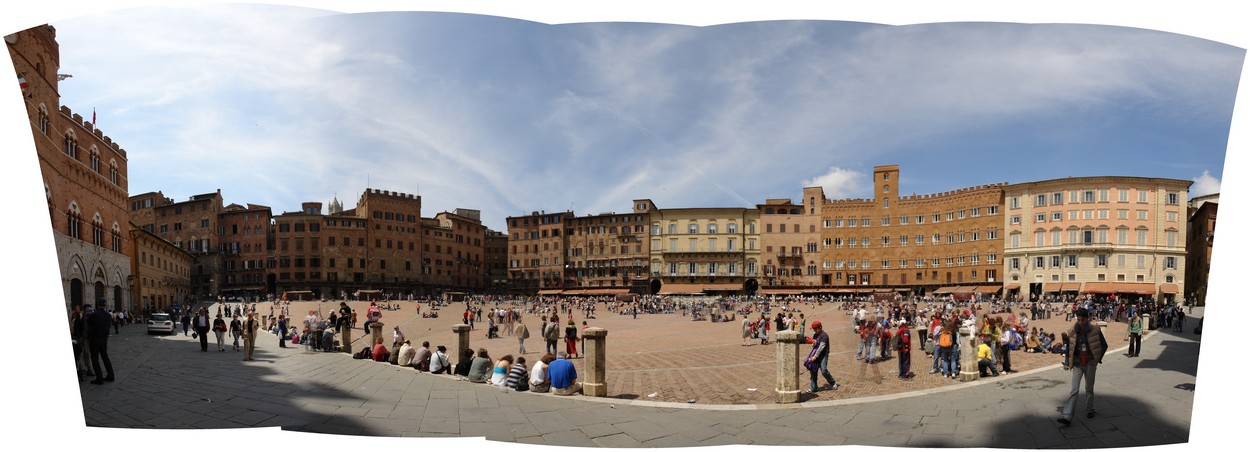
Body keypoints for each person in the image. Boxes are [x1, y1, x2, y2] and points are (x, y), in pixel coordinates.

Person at [1057, 308, 1108, 426]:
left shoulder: (1095, 330)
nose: (1080, 322)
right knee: (1074, 390)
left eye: (1082, 320)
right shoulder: (1072, 331)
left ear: (1087, 318)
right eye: (1078, 320)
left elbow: (1104, 345)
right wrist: (1067, 363)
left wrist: (1097, 360)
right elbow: (1069, 349)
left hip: (1090, 363)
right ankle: (1067, 416)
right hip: (1077, 364)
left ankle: (1089, 409)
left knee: (1089, 388)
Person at [85, 301, 115, 385]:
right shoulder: (108, 315)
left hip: (95, 339)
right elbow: (109, 326)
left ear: (98, 305)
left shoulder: (94, 315)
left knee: (95, 358)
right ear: (105, 305)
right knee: (105, 357)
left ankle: (99, 378)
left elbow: (88, 325)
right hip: (104, 339)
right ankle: (111, 376)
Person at [804, 321, 838, 393]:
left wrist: (815, 357)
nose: (814, 330)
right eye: (813, 329)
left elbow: (821, 348)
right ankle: (814, 387)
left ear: (820, 327)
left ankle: (833, 383)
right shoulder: (815, 335)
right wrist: (813, 343)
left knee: (823, 370)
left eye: (815, 329)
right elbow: (815, 346)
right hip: (815, 355)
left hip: (823, 355)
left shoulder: (824, 336)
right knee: (813, 371)